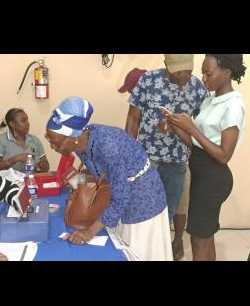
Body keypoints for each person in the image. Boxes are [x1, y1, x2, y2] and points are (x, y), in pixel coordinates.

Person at [45, 97, 172, 260]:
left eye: (56, 142)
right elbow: (99, 172)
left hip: (143, 199)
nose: (52, 146)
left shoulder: (108, 146)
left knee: (139, 251)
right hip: (122, 192)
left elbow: (121, 198)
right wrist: (74, 180)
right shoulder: (80, 143)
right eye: (49, 139)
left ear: (72, 137)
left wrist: (89, 232)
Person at [123, 55, 210, 260]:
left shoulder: (198, 89)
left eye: (186, 71)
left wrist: (180, 127)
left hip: (177, 162)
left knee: (170, 212)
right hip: (146, 160)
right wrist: (127, 154)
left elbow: (204, 127)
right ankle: (141, 250)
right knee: (143, 209)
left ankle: (161, 250)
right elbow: (133, 117)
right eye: (177, 71)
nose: (182, 76)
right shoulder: (148, 81)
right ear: (166, 66)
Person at [166, 54, 247, 261]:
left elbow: (223, 155)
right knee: (202, 238)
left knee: (198, 240)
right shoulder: (211, 101)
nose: (203, 78)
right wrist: (176, 127)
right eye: (202, 72)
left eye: (208, 73)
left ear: (226, 73)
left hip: (213, 178)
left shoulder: (233, 106)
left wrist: (191, 128)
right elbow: (197, 145)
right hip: (202, 173)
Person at [0, 108, 49, 173]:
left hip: (31, 180)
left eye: (27, 120)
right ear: (12, 124)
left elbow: (46, 165)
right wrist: (15, 159)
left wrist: (43, 166)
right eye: (23, 121)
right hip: (9, 181)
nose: (28, 123)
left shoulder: (35, 140)